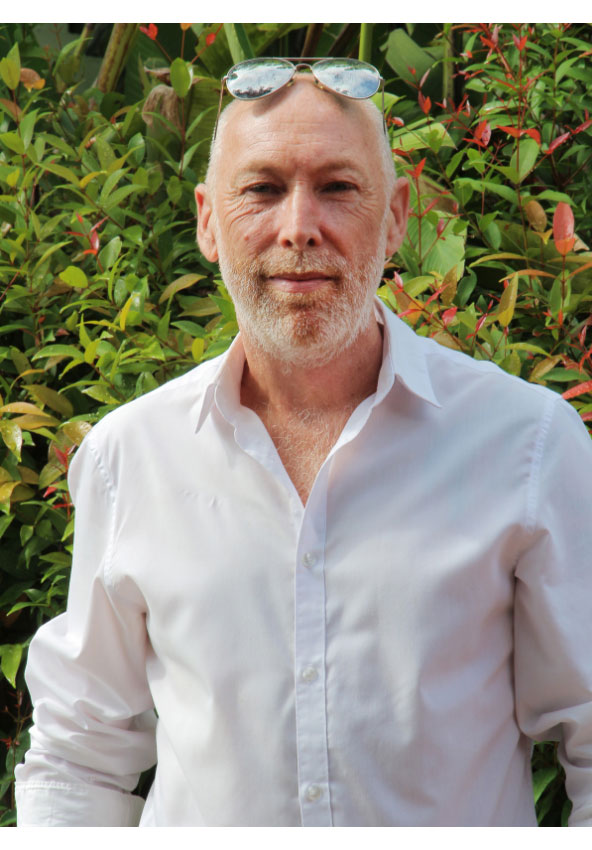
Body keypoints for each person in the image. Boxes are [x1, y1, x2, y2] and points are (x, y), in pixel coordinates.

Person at [15, 59, 592, 827]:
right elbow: (77, 757)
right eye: (260, 189)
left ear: (394, 217)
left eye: (338, 188)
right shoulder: (131, 458)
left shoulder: (526, 445)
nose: (298, 228)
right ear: (207, 223)